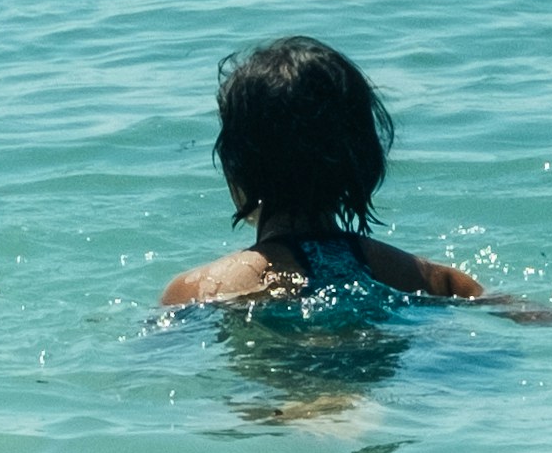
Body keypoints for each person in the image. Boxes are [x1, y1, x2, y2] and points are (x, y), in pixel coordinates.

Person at [161, 34, 503, 310]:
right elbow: (529, 314)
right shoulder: (435, 280)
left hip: (276, 391)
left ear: (237, 169)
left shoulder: (198, 291)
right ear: (364, 160)